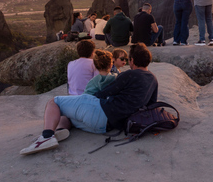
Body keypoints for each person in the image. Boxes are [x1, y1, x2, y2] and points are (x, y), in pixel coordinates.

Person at [20, 43, 158, 155]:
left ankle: (46, 137)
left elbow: (105, 92)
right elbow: (151, 105)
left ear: (132, 60)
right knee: (69, 115)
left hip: (100, 110)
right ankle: (60, 129)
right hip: (105, 126)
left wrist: (87, 99)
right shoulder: (153, 80)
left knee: (54, 102)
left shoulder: (129, 75)